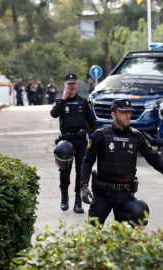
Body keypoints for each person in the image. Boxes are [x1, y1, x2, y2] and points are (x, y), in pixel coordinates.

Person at [79, 98, 163, 226]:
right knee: (93, 232)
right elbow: (88, 161)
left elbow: (154, 159)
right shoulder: (100, 135)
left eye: (129, 112)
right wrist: (83, 185)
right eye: (123, 112)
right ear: (113, 115)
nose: (128, 115)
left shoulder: (137, 137)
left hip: (125, 195)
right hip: (103, 193)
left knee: (126, 239)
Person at [50, 73, 98, 213]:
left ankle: (78, 201)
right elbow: (54, 114)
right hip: (66, 142)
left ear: (76, 84)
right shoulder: (60, 101)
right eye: (68, 83)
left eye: (73, 83)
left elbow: (92, 121)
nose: (71, 86)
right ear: (65, 85)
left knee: (80, 171)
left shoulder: (83, 101)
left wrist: (96, 136)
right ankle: (64, 197)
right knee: (64, 171)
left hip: (81, 140)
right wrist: (62, 100)